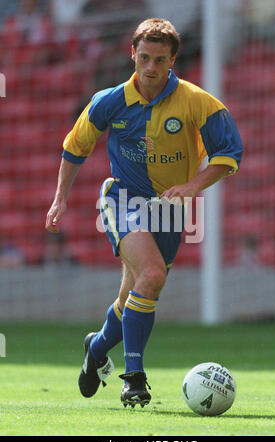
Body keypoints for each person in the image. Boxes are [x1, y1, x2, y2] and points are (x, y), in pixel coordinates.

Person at [45, 18, 243, 408]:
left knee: (133, 296)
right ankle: (133, 378)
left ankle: (96, 347)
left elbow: (229, 154)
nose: (151, 68)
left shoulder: (198, 102)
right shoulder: (109, 101)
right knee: (151, 275)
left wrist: (191, 187)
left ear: (173, 61)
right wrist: (60, 198)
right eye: (145, 58)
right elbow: (75, 147)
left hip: (170, 210)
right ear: (132, 54)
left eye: (160, 60)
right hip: (123, 201)